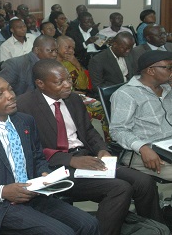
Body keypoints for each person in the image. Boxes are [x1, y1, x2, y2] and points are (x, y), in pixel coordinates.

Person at [17, 59, 164, 235]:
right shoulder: (23, 106)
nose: (67, 85)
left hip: (87, 157)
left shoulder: (72, 99)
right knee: (119, 188)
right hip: (54, 168)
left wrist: (102, 150)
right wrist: (72, 160)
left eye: (68, 80)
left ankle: (156, 228)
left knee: (144, 182)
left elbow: (89, 131)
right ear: (40, 83)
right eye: (59, 82)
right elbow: (29, 149)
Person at [0, 74, 100, 235]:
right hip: (0, 205)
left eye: (10, 89)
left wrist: (43, 174)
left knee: (89, 224)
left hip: (34, 195)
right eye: (0, 93)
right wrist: (2, 191)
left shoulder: (25, 121)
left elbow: (37, 157)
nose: (11, 95)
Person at [110, 50, 172, 181]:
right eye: (169, 68)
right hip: (144, 151)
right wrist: (142, 147)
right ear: (151, 70)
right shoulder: (126, 94)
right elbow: (118, 130)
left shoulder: (168, 88)